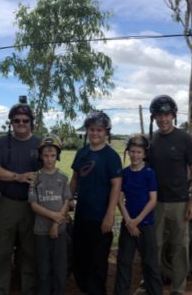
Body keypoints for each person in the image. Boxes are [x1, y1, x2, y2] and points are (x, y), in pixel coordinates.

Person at [147, 95, 192, 295]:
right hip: (156, 203)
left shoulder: (184, 139)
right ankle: (150, 286)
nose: (163, 119)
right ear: (154, 118)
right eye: (159, 115)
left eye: (167, 114)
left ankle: (178, 289)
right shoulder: (151, 140)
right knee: (154, 247)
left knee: (180, 248)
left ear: (174, 116)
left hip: (180, 202)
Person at [0, 97, 42, 295]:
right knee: (2, 250)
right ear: (11, 122)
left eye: (25, 120)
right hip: (8, 203)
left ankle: (28, 289)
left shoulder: (39, 143)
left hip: (32, 204)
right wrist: (17, 177)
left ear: (31, 123)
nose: (21, 124)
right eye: (16, 120)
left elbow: (47, 170)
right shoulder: (4, 142)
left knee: (29, 251)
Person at [70, 110, 122, 295]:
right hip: (82, 216)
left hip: (101, 219)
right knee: (80, 260)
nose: (95, 133)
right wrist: (67, 201)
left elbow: (116, 186)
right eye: (92, 129)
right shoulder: (82, 153)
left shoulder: (111, 156)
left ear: (106, 132)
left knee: (97, 263)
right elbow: (75, 179)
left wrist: (109, 216)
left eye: (99, 130)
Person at [114, 134, 162, 295]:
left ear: (144, 154)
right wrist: (128, 220)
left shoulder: (149, 173)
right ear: (128, 152)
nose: (135, 155)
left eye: (139, 152)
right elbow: (119, 199)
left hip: (145, 224)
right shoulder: (124, 173)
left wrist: (137, 221)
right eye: (132, 152)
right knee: (124, 262)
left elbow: (153, 200)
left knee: (150, 263)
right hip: (128, 224)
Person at [28, 134, 71, 295]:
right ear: (40, 156)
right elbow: (33, 205)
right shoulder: (35, 178)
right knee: (43, 268)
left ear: (57, 156)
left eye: (53, 155)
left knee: (59, 268)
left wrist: (56, 223)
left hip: (59, 230)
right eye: (45, 155)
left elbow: (66, 201)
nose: (49, 159)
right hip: (41, 231)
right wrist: (54, 217)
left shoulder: (63, 177)